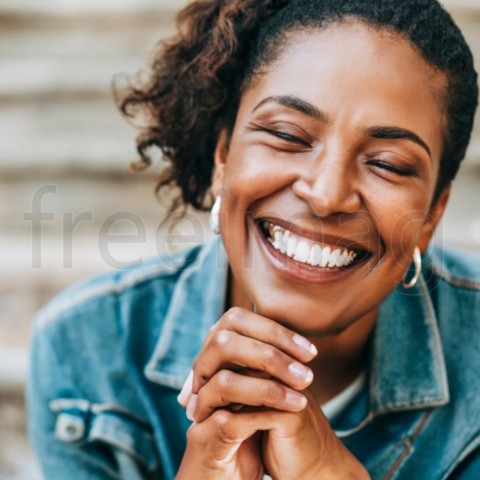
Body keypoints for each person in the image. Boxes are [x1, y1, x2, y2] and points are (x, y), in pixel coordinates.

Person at [27, 0, 480, 478]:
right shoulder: (85, 350)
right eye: (287, 134)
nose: (326, 195)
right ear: (223, 157)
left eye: (387, 163)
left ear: (431, 215)